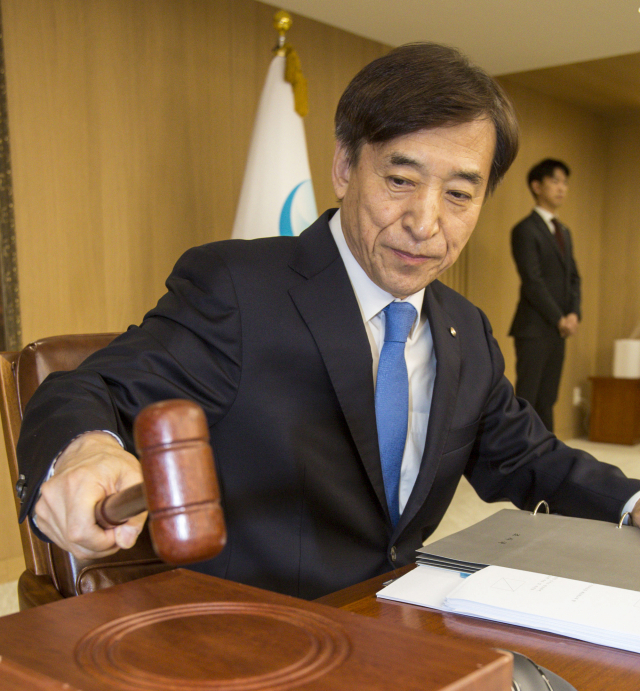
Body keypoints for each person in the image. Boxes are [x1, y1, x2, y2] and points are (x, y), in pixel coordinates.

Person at [15, 44, 640, 601]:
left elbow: (531, 458)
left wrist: (633, 502)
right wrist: (83, 451)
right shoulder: (239, 289)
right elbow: (83, 389)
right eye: (400, 179)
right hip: (258, 645)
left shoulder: (466, 330)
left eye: (459, 194)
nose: (426, 223)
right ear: (344, 166)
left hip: (401, 624)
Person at [509, 159, 581, 432]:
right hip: (534, 327)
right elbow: (533, 281)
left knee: (548, 398)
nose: (562, 188)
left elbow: (574, 277)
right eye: (555, 181)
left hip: (559, 328)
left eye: (565, 182)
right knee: (528, 397)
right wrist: (559, 317)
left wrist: (573, 314)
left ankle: (548, 460)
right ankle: (519, 458)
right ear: (536, 186)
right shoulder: (525, 230)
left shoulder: (564, 231)